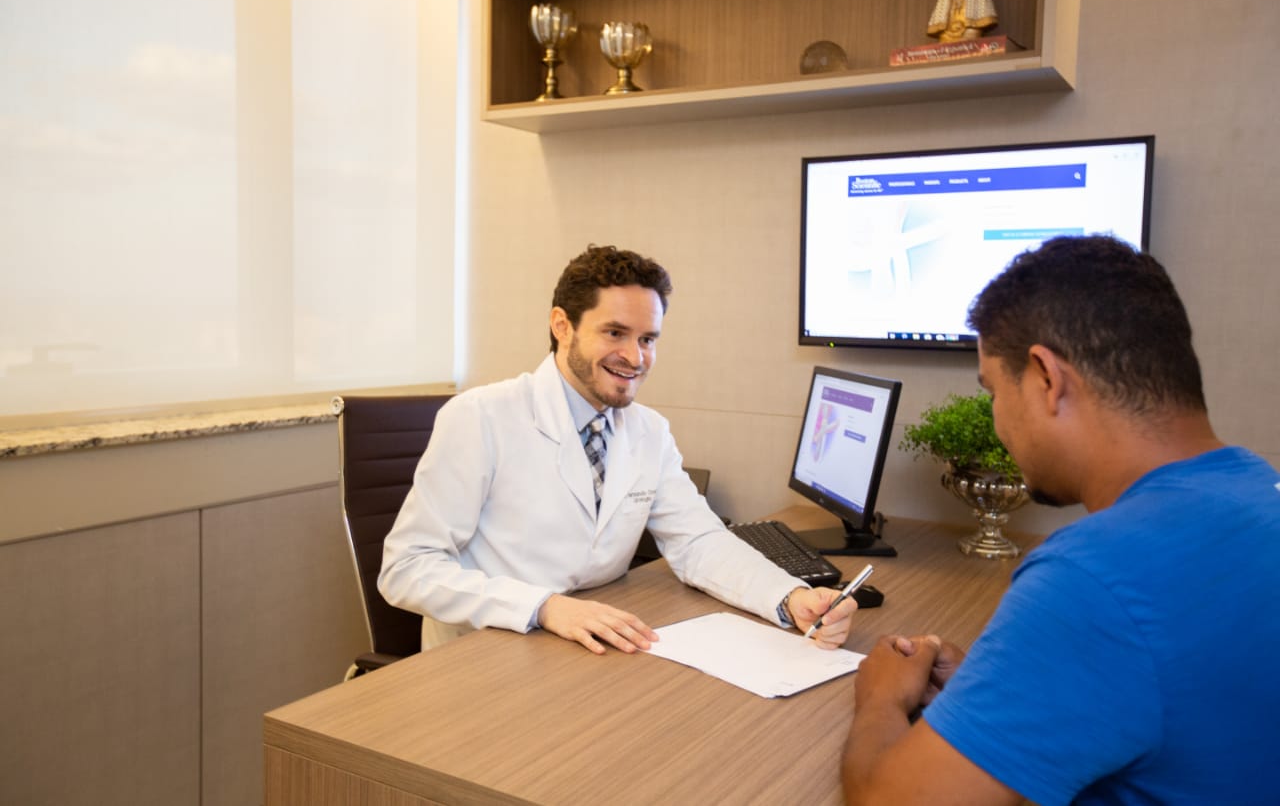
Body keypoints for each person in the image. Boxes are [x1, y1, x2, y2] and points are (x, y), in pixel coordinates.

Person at [843, 235, 1280, 805]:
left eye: (994, 392)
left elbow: (889, 802)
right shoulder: (1259, 493)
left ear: (1047, 378)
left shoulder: (1096, 573)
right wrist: (1012, 687)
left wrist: (880, 698)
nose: (997, 422)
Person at [379, 245, 858, 654]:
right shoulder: (481, 417)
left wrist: (791, 597)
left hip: (587, 649)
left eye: (648, 339)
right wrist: (542, 607)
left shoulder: (648, 431)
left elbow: (698, 542)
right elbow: (407, 568)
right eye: (615, 333)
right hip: (487, 651)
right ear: (562, 326)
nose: (635, 357)